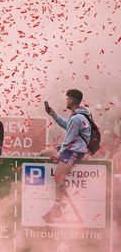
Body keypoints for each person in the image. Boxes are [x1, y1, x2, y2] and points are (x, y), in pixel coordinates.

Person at [43, 88, 95, 223]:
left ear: (71, 99)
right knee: (43, 153)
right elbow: (67, 125)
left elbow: (69, 139)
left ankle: (57, 208)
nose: (65, 100)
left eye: (67, 98)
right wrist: (53, 114)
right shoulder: (77, 115)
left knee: (59, 176)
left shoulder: (77, 117)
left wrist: (60, 154)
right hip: (70, 148)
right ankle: (58, 204)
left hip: (74, 151)